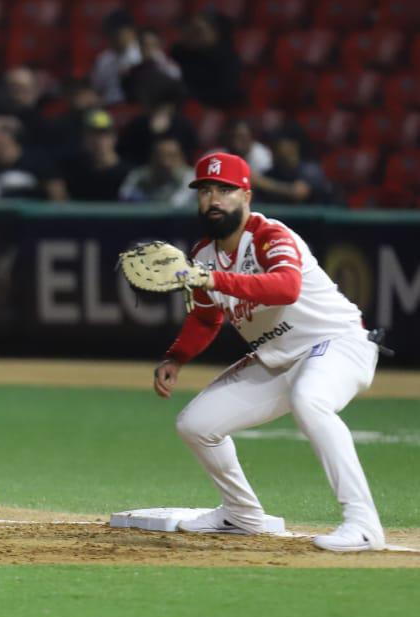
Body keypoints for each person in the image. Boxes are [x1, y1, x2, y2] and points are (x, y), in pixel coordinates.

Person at [154, 152, 386, 552]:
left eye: (224, 190)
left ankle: (363, 524)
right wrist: (176, 357)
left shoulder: (269, 235)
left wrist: (215, 279)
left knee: (309, 400)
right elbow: (206, 319)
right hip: (279, 359)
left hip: (338, 343)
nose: (213, 200)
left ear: (246, 194)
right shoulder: (204, 257)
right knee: (196, 425)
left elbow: (285, 287)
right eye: (205, 190)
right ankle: (241, 514)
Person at [118, 135, 195, 206]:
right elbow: (124, 196)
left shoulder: (191, 178)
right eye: (160, 156)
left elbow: (175, 206)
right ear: (152, 158)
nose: (166, 162)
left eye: (172, 156)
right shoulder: (138, 176)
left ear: (181, 158)